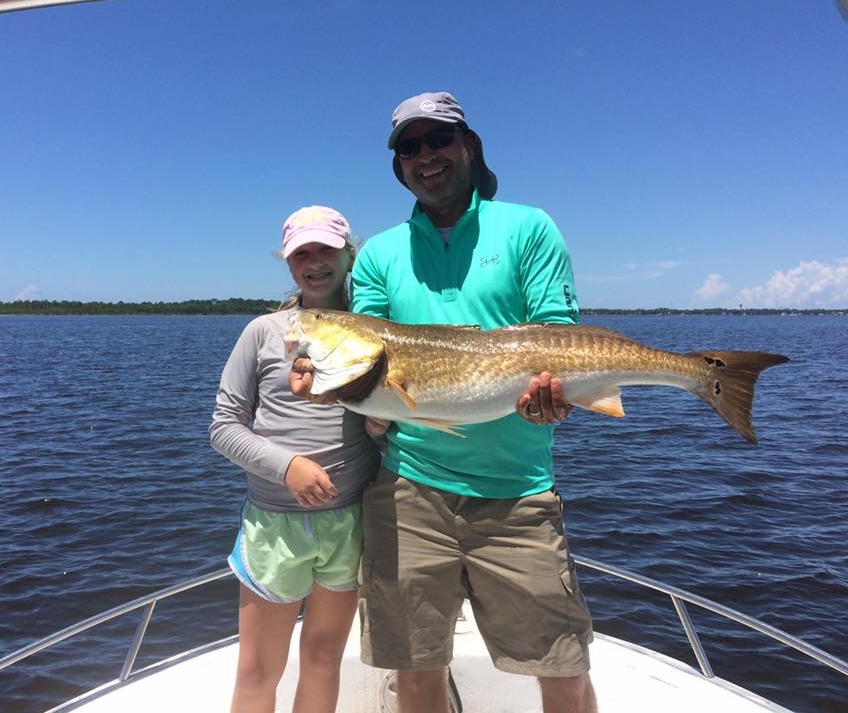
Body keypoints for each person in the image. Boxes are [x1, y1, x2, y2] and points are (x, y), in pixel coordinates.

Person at [291, 92, 597, 713]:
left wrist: (556, 393)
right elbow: (370, 366)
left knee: (563, 669)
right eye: (409, 147)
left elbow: (557, 335)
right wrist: (333, 385)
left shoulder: (528, 227)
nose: (425, 155)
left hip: (519, 492)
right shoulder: (380, 254)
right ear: (398, 165)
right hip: (408, 493)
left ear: (469, 145)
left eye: (438, 139)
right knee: (415, 672)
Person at [210, 205, 380, 713]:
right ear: (287, 263)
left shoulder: (377, 332)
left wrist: (381, 426)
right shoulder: (263, 331)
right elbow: (223, 427)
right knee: (259, 670)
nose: (315, 262)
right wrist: (287, 467)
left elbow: (389, 423)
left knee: (324, 660)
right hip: (274, 524)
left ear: (349, 255)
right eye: (302, 253)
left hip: (349, 520)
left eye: (326, 249)